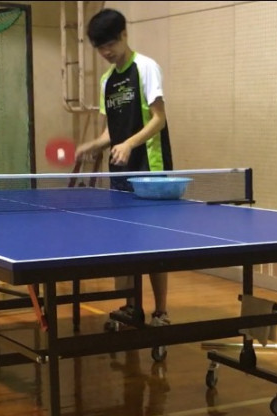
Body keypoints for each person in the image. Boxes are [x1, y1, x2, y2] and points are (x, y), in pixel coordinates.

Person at [75, 8, 173, 330]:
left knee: (154, 246)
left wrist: (130, 144)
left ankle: (161, 311)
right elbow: (110, 131)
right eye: (100, 48)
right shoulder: (107, 80)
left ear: (124, 35)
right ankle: (132, 306)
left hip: (150, 169)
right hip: (120, 171)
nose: (106, 52)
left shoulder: (145, 68)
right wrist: (94, 144)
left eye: (110, 44)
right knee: (124, 242)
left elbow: (159, 119)